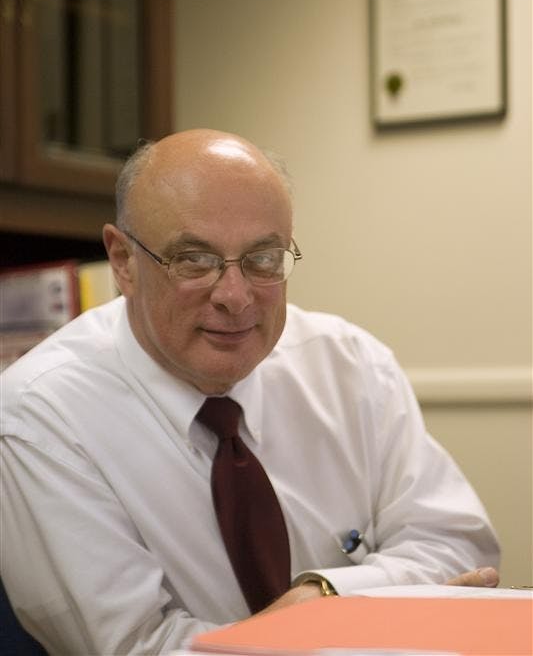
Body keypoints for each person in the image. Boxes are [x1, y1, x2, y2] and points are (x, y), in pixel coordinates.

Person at [1, 130, 499, 655]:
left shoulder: (349, 363)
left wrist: (324, 595)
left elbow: (460, 548)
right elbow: (140, 649)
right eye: (194, 259)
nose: (236, 298)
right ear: (123, 261)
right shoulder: (39, 418)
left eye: (264, 259)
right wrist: (370, 603)